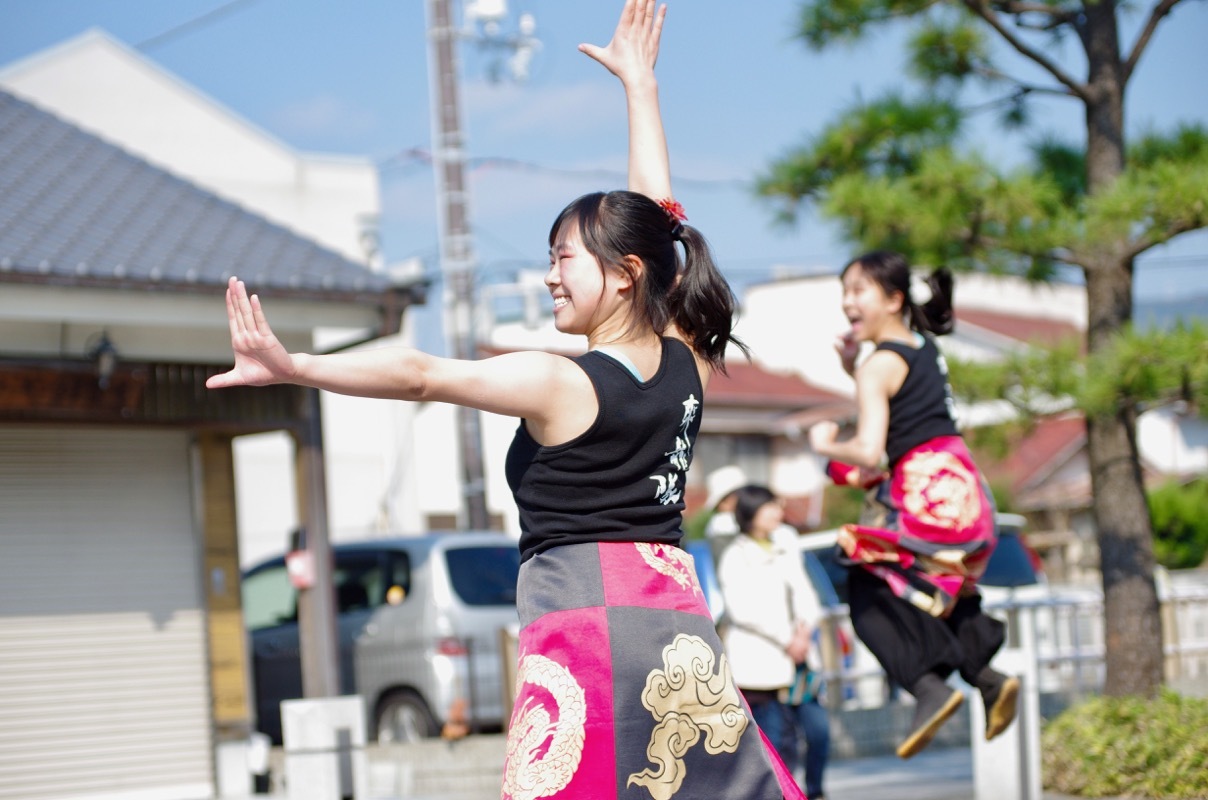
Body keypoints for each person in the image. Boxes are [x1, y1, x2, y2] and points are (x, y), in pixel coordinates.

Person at [208, 3, 803, 797]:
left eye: (564, 259)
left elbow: (421, 374)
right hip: (674, 620)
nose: (552, 275)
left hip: (585, 619)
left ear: (623, 274)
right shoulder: (685, 360)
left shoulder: (560, 383)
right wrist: (640, 88)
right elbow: (660, 223)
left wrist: (295, 364)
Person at [807, 250, 1020, 760]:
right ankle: (986, 677)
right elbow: (898, 410)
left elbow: (869, 451)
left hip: (923, 491)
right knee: (934, 583)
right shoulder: (923, 347)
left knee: (864, 582)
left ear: (894, 298)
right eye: (845, 292)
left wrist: (824, 445)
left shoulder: (878, 364)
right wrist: (851, 368)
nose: (847, 303)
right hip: (965, 491)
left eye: (858, 291)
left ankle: (928, 688)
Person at [717, 485, 827, 799]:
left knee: (819, 733)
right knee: (777, 743)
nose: (778, 512)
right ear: (751, 513)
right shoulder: (735, 556)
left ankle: (816, 791)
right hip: (762, 665)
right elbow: (742, 611)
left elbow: (808, 597)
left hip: (801, 660)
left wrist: (804, 633)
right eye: (770, 507)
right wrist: (786, 639)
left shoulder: (784, 548)